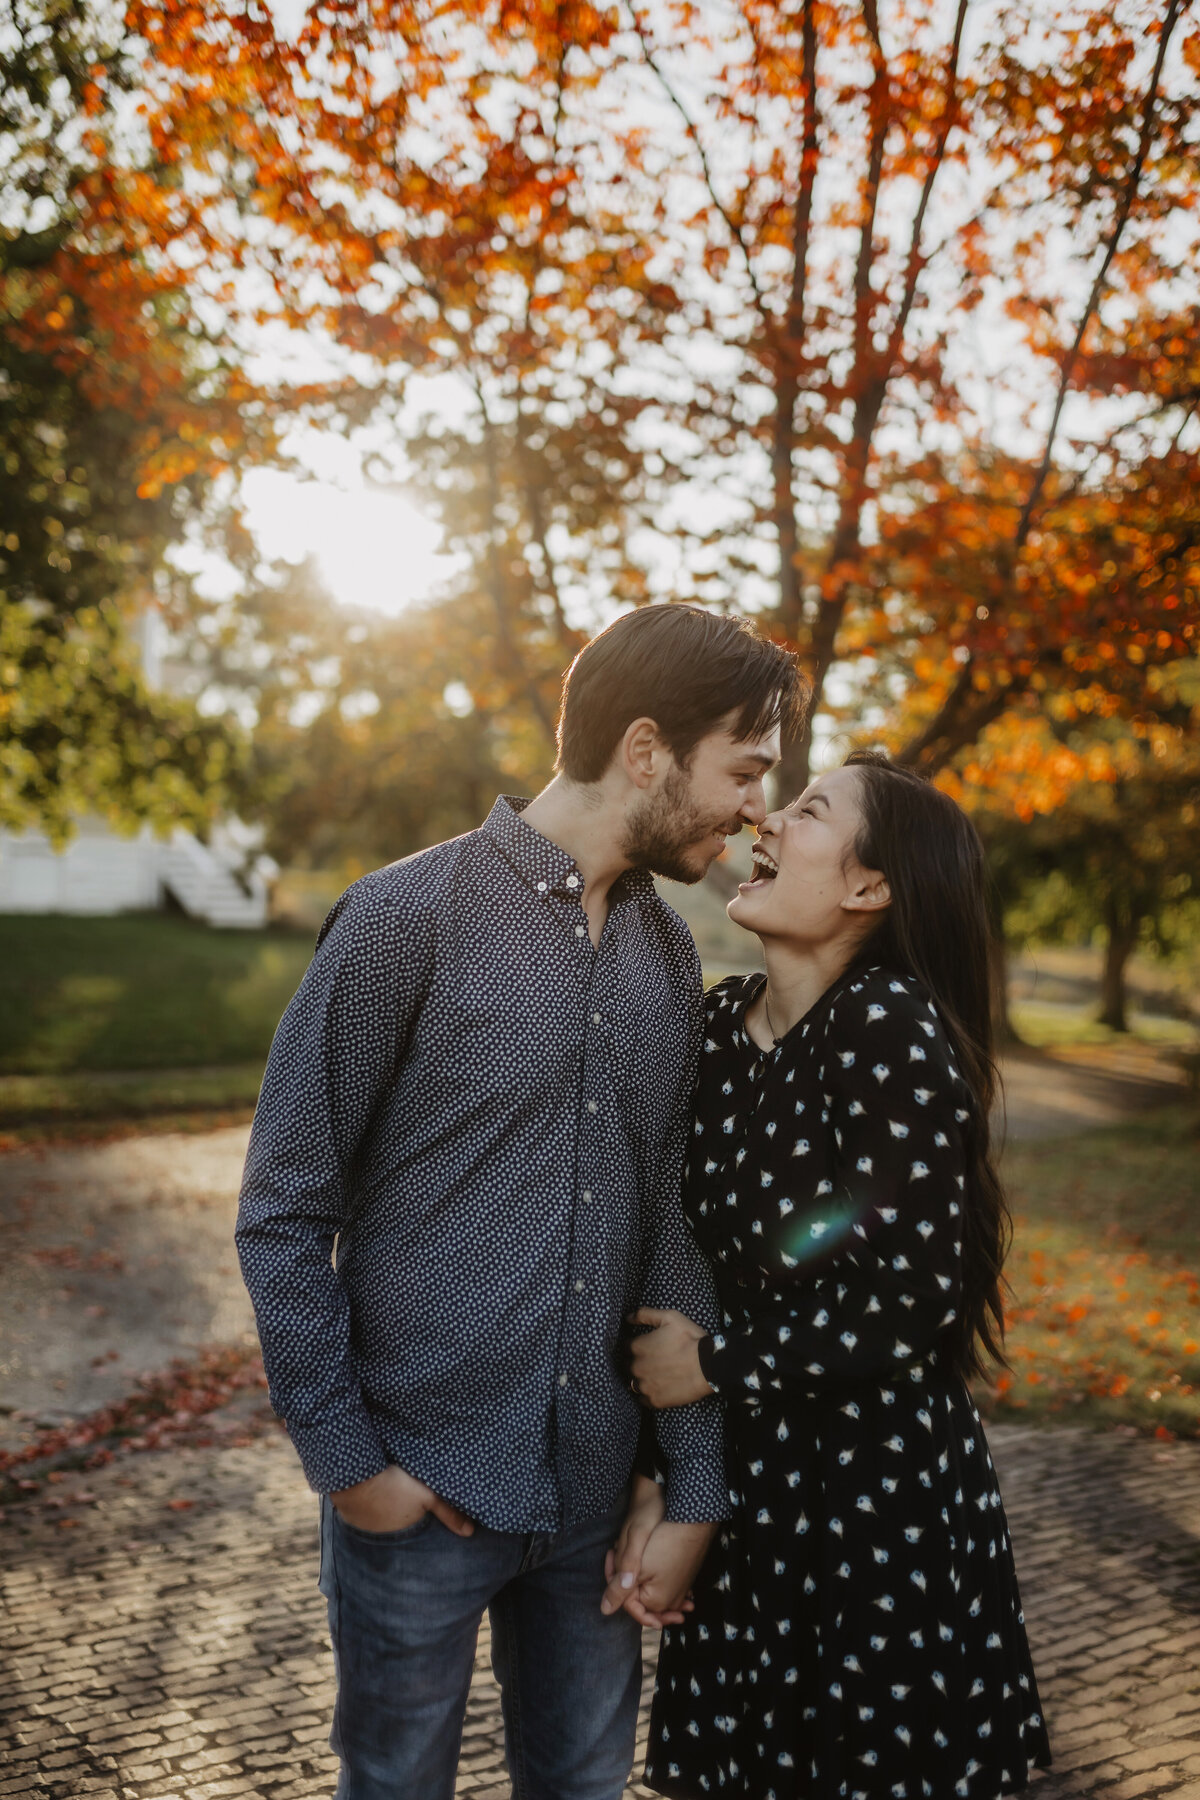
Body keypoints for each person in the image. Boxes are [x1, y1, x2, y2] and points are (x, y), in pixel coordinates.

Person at [235, 603, 806, 1800]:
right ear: (646, 751)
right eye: (745, 769)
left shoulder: (666, 956)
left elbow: (668, 1228)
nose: (758, 806)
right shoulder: (404, 919)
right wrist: (350, 1467)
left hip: (593, 1511)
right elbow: (284, 1209)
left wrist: (690, 1483)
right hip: (419, 1494)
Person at [618, 751, 1052, 1800]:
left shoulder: (888, 1030)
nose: (764, 820)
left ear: (870, 886)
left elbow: (912, 1303)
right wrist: (661, 1486)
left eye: (808, 810)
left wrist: (715, 1363)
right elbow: (672, 1256)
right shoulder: (716, 1028)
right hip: (751, 1492)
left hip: (873, 1500)